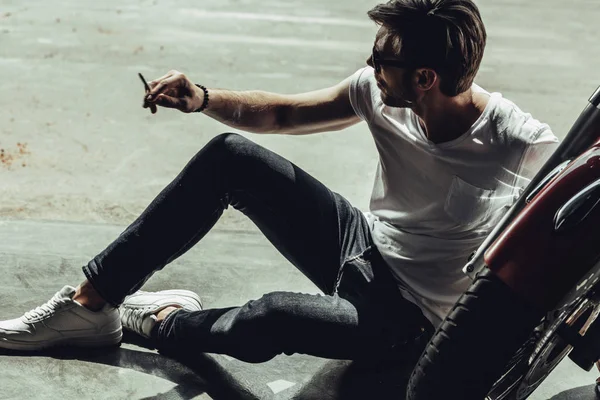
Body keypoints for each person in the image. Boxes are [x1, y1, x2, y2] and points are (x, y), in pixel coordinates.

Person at [0, 0, 558, 370]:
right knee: (231, 158)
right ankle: (92, 305)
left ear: (425, 78)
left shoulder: (516, 140)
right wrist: (204, 98)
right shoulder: (378, 91)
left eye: (381, 58)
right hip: (363, 247)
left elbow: (582, 234)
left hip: (409, 321)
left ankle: (162, 324)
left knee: (272, 317)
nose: (369, 65)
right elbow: (286, 116)